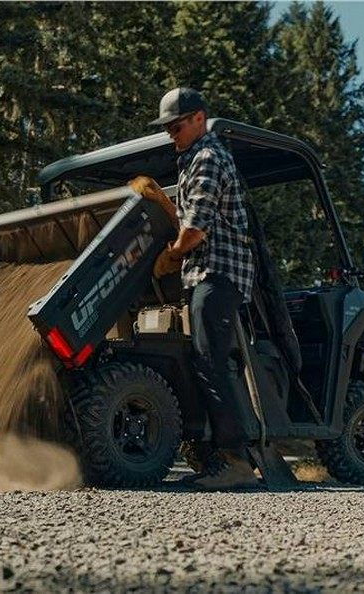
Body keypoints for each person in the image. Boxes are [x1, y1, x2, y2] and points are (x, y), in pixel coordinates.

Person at [149, 87, 258, 491]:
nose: (171, 135)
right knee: (202, 362)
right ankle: (215, 458)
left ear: (199, 118)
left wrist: (171, 256)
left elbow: (194, 230)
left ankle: (236, 462)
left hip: (217, 273)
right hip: (206, 275)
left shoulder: (209, 159)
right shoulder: (192, 160)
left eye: (176, 126)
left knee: (211, 362)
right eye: (167, 130)